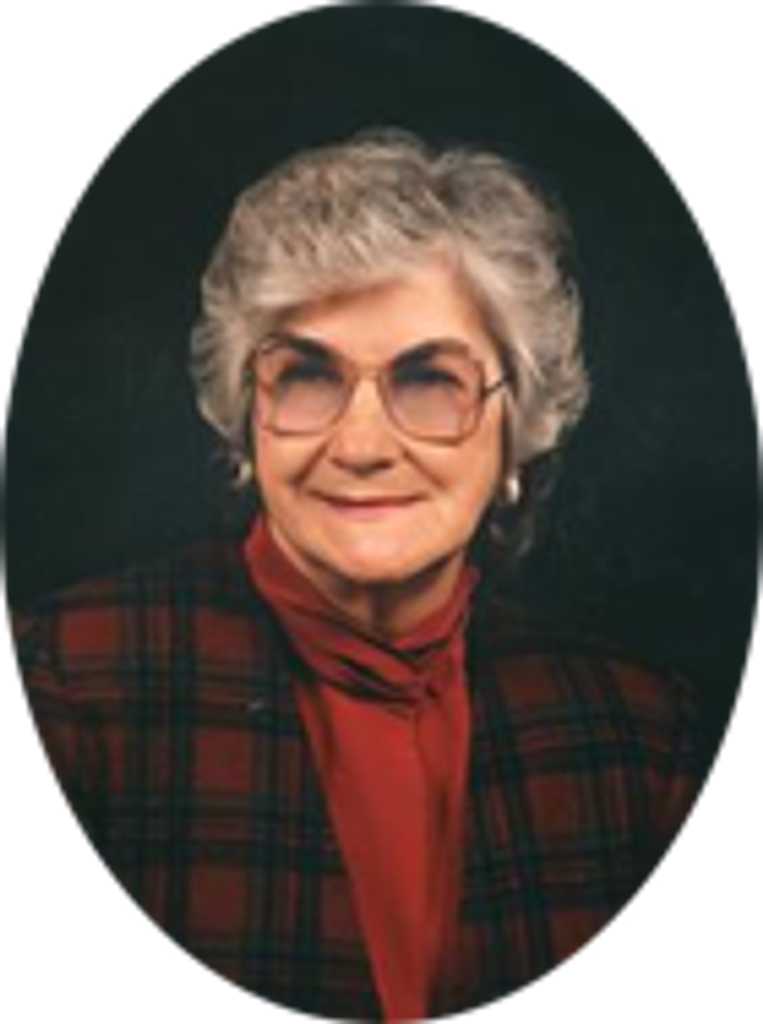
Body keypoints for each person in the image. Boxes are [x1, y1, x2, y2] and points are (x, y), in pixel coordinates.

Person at [6, 129, 700, 1022]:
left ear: (519, 425)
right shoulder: (61, 685)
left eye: (429, 379)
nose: (362, 445)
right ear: (244, 417)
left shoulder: (636, 733)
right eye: (306, 376)